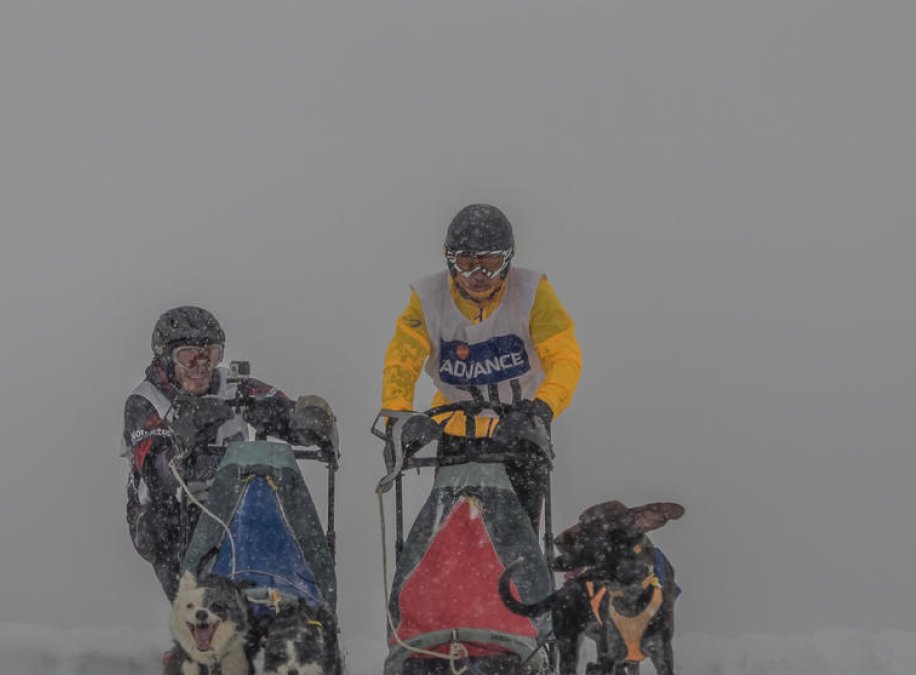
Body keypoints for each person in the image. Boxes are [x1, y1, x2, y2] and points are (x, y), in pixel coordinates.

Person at [381, 204, 582, 532]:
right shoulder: (428, 299)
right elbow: (401, 360)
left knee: (519, 535)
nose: (478, 276)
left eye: (490, 263)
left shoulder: (533, 294)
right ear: (449, 259)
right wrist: (398, 414)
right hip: (456, 432)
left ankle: (521, 576)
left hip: (520, 431)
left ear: (508, 260)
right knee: (454, 532)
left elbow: (564, 357)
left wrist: (544, 407)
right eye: (466, 263)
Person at [122, 305, 334, 600]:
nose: (201, 365)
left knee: (280, 505)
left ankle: (301, 598)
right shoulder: (145, 401)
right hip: (169, 513)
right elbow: (157, 471)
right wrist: (188, 439)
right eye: (188, 356)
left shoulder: (232, 387)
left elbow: (280, 409)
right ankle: (196, 611)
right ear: (166, 360)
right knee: (171, 523)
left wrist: (306, 422)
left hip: (234, 499)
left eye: (210, 355)